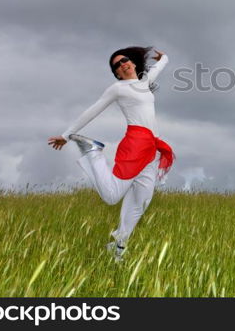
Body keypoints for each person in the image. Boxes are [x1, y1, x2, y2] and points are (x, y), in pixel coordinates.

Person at [47, 46, 175, 261]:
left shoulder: (144, 83)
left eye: (124, 60)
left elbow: (163, 63)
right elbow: (94, 110)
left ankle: (118, 248)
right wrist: (67, 135)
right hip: (136, 143)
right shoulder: (118, 88)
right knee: (111, 196)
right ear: (117, 73)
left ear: (132, 63)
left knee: (141, 201)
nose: (122, 64)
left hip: (152, 149)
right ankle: (93, 152)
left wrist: (163, 58)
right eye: (117, 65)